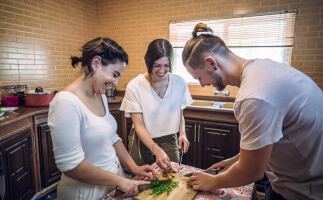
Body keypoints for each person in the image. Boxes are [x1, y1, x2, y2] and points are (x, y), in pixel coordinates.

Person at [182, 23, 323, 200]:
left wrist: (212, 181)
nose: (202, 84)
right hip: (293, 177)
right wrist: (236, 160)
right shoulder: (262, 67)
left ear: (211, 63)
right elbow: (271, 137)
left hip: (302, 191)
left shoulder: (253, 97)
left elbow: (251, 172)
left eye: (199, 77)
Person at [48, 37, 157, 200]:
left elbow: (111, 137)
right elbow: (71, 167)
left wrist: (134, 168)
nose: (115, 82)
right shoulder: (65, 102)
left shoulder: (100, 96)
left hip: (112, 185)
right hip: (85, 193)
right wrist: (119, 180)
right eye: (114, 75)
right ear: (96, 63)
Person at [120, 39, 193, 171]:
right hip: (141, 139)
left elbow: (179, 113)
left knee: (171, 175)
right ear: (149, 62)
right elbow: (139, 126)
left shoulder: (179, 83)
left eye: (166, 65)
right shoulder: (135, 86)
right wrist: (156, 150)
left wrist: (182, 133)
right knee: (142, 177)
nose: (162, 70)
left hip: (169, 138)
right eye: (157, 65)